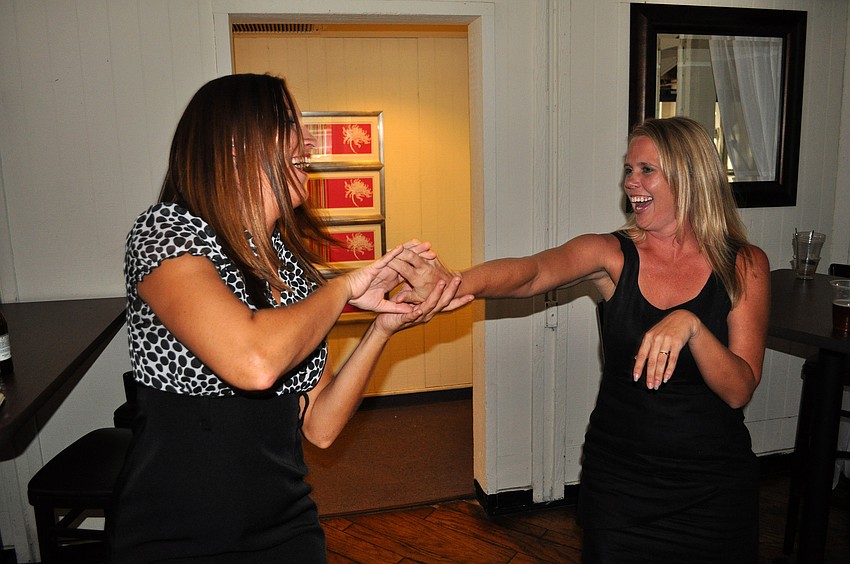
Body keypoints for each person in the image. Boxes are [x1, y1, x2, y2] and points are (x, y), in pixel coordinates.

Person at [108, 73, 467, 563]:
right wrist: (342, 288)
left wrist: (380, 330)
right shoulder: (167, 231)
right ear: (234, 146)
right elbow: (254, 362)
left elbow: (320, 426)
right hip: (177, 533)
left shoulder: (288, 261)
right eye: (288, 122)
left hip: (286, 523)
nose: (307, 140)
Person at [391, 116, 770, 563]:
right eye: (628, 170)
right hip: (622, 482)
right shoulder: (612, 254)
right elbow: (532, 273)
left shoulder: (744, 264)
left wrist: (692, 325)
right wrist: (454, 281)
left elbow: (739, 388)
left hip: (713, 488)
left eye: (646, 169)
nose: (631, 182)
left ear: (689, 175)